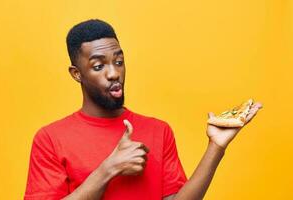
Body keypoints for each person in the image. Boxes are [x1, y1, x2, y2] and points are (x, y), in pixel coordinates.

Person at [24, 19, 262, 200]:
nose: (113, 73)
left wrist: (216, 147)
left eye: (119, 61)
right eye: (98, 66)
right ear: (77, 74)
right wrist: (109, 168)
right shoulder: (50, 139)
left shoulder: (158, 130)